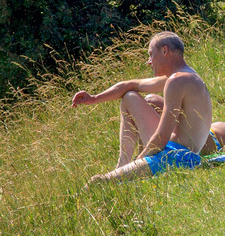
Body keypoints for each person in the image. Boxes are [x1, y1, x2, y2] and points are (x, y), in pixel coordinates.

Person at [71, 31, 212, 184]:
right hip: (185, 153)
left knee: (97, 182)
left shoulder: (177, 81)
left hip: (177, 156)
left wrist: (137, 162)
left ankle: (122, 166)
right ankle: (122, 167)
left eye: (151, 54)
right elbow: (130, 85)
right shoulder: (185, 76)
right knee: (143, 98)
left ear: (165, 51)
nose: (149, 61)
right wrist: (93, 98)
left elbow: (161, 138)